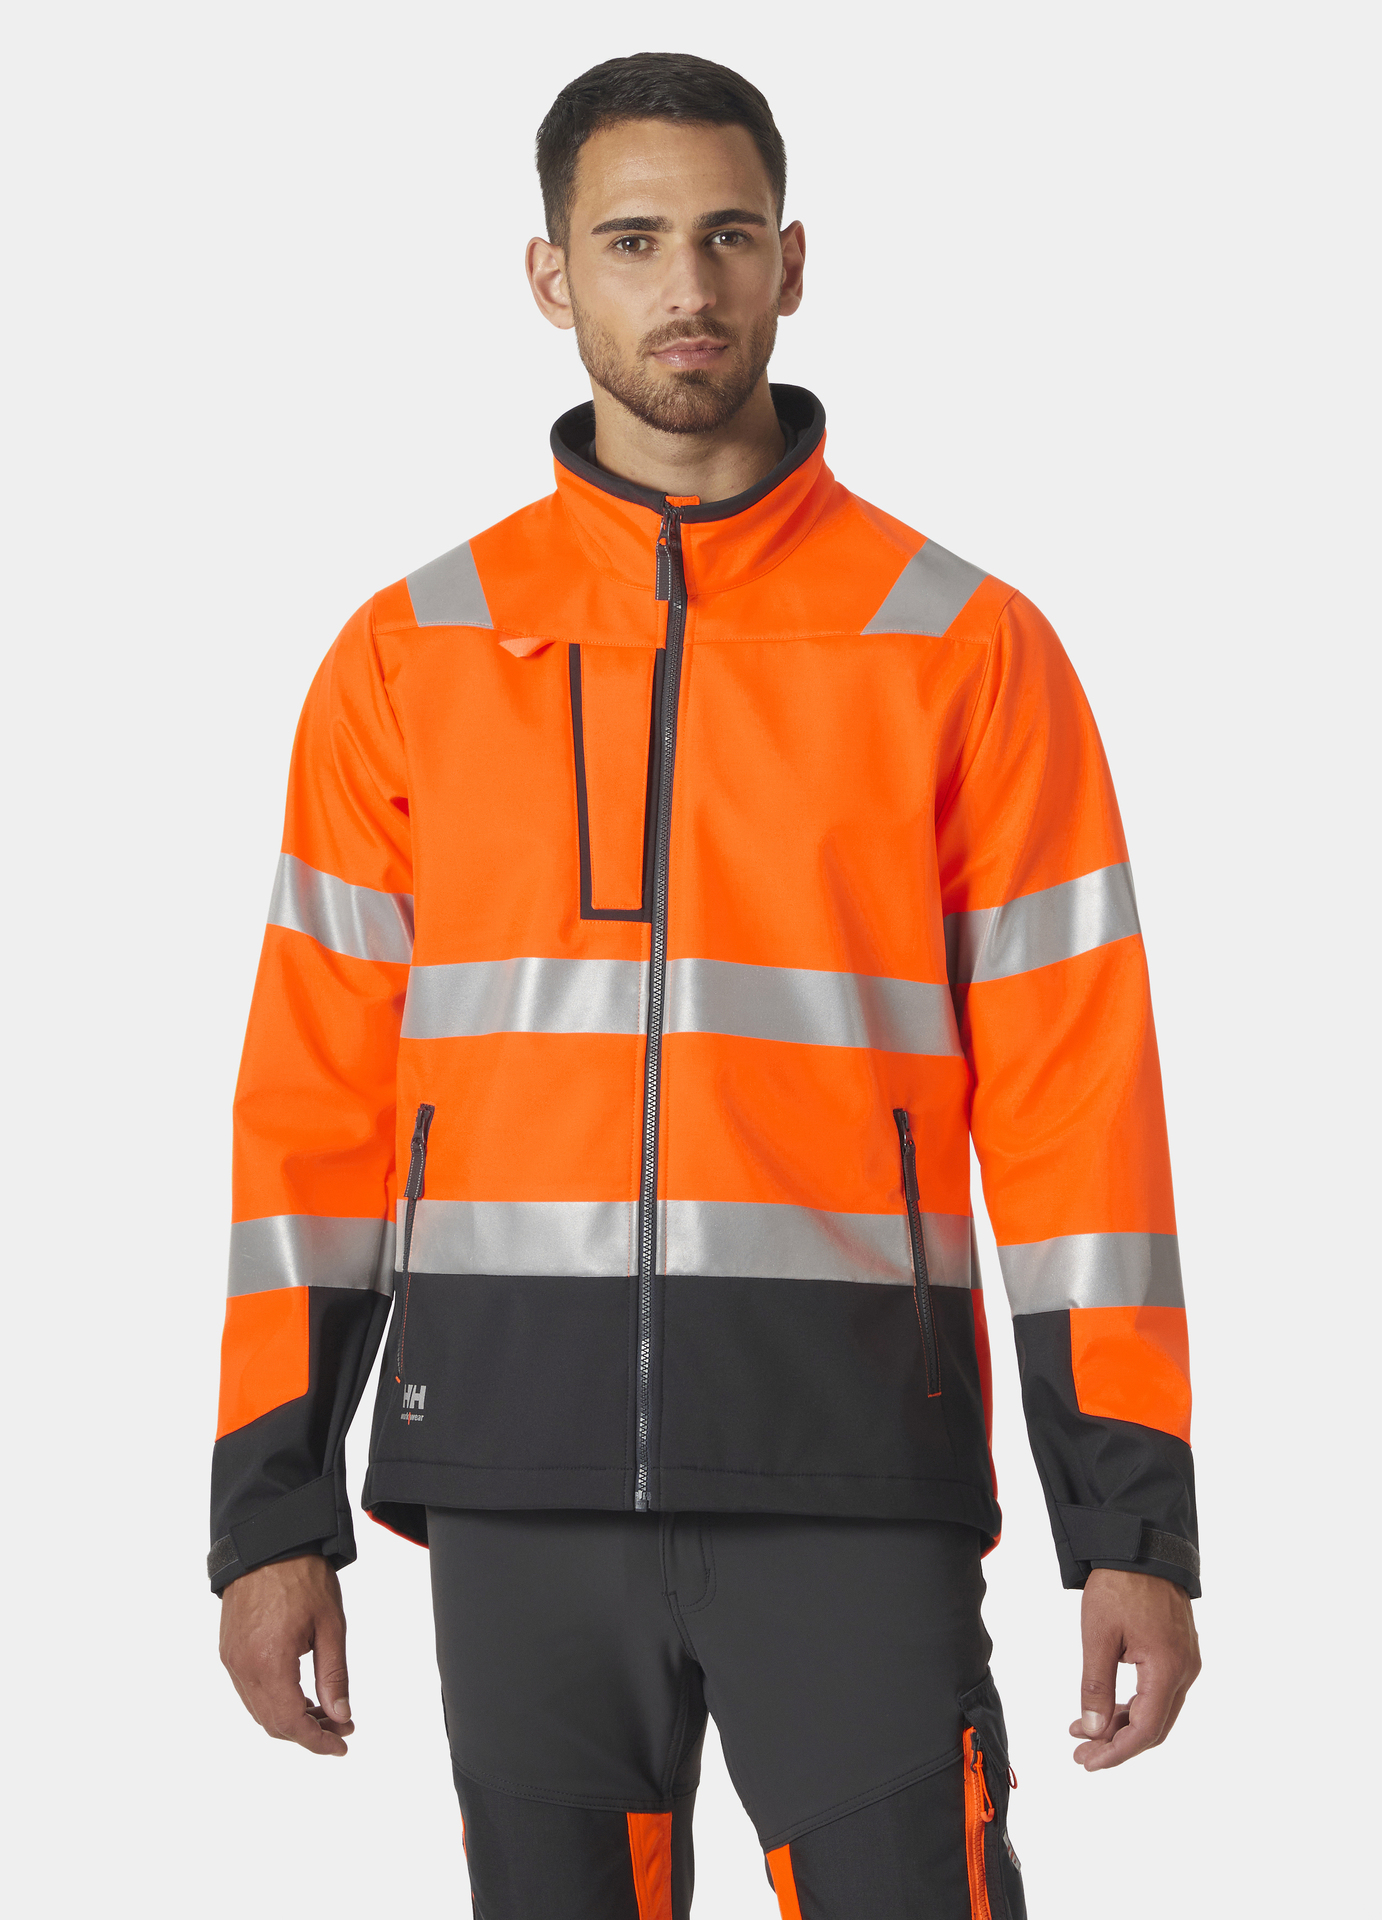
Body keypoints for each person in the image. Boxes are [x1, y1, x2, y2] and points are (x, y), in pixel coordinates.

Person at [212, 51, 1201, 1919]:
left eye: (728, 236)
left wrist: (1130, 1522)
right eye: (633, 240)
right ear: (548, 274)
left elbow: (1080, 1109)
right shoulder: (411, 657)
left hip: (849, 1459)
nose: (687, 287)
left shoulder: (959, 645)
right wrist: (269, 1510)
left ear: (792, 261)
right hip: (509, 1468)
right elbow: (311, 1112)